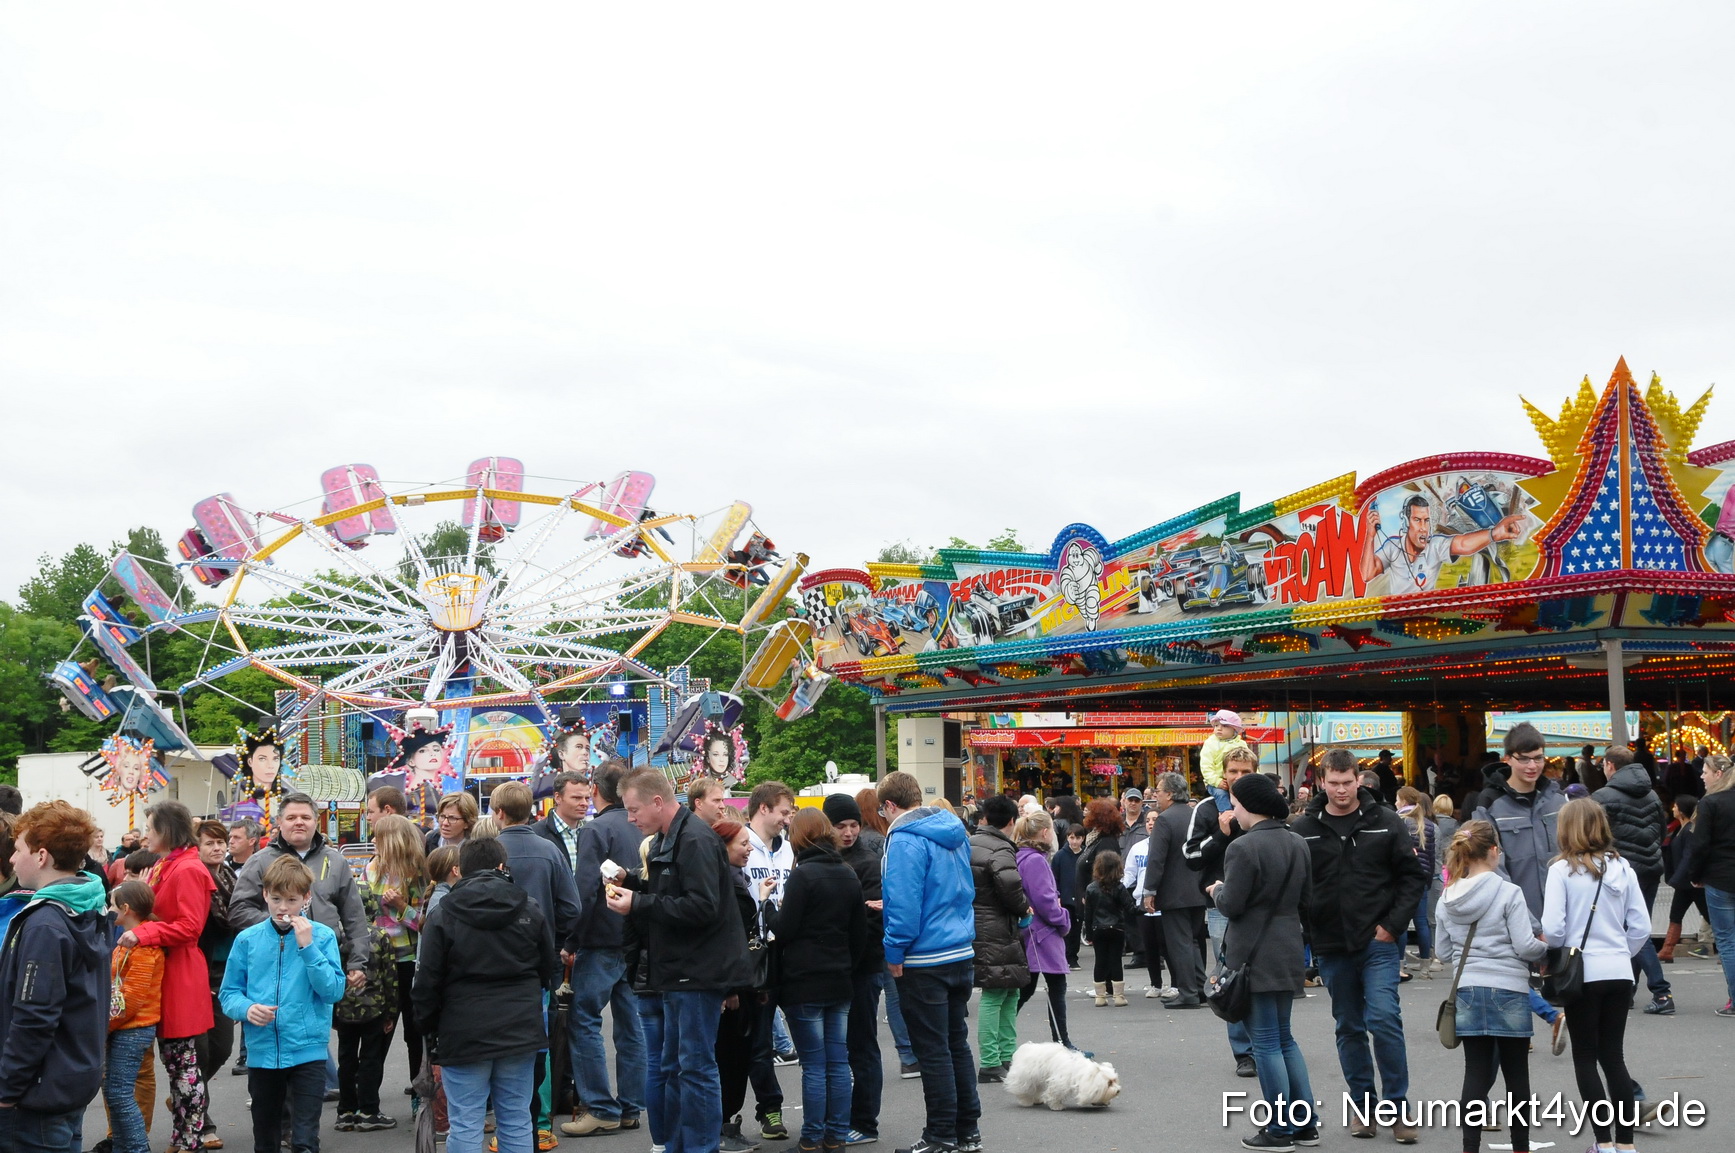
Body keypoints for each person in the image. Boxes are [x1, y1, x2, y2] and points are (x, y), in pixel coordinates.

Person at [607, 768, 753, 1153]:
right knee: (676, 1066)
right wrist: (634, 884)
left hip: (696, 971)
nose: (630, 818)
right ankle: (678, 1145)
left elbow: (702, 907)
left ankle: (700, 1147)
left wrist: (637, 900)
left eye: (634, 809)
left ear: (658, 802)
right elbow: (675, 894)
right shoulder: (671, 838)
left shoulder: (694, 840)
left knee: (694, 1068)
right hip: (679, 971)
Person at [1288, 749, 1427, 1142]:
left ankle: (1398, 1109)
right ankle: (1363, 1108)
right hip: (1331, 945)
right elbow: (1297, 887)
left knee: (1383, 1019)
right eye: (1333, 783)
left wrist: (1392, 926)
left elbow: (1411, 878)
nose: (1341, 790)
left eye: (1347, 782)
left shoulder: (1384, 821)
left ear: (1358, 780)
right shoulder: (1304, 827)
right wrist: (1309, 931)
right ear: (1321, 782)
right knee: (1348, 1027)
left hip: (1379, 941)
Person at [414, 837, 558, 1153]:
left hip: (462, 1029)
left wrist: (428, 1026)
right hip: (519, 1027)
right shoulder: (528, 907)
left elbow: (427, 981)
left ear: (461, 870)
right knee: (517, 1118)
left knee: (465, 1122)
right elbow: (550, 967)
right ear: (502, 866)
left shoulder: (443, 913)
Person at [1208, 772, 1316, 1152]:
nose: (1232, 809)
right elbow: (1306, 899)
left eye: (1235, 802)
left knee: (1266, 1043)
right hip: (1286, 947)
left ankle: (1280, 1128)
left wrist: (1218, 889)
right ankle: (1305, 1124)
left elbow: (1232, 905)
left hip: (1252, 952)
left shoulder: (1242, 848)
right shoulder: (1297, 842)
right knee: (1284, 1038)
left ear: (1249, 805)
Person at [878, 770, 980, 1153]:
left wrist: (894, 952)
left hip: (924, 956)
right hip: (958, 948)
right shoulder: (952, 831)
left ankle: (940, 1134)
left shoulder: (903, 840)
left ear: (890, 805)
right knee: (956, 1044)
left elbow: (904, 904)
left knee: (933, 1050)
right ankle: (967, 1130)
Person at [1542, 800, 1653, 1153]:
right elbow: (1642, 927)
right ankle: (1627, 1145)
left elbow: (1554, 930)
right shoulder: (1623, 868)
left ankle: (1603, 1142)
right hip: (1620, 971)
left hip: (1582, 974)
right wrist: (1622, 953)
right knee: (1614, 1057)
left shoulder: (1561, 871)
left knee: (1585, 1056)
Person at [0, 801, 110, 1153]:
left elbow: (35, 1016)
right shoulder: (89, 904)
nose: (13, 860)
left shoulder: (46, 924)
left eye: (18, 850)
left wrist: (6, 1089)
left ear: (42, 856)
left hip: (35, 1096)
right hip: (68, 1082)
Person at [1434, 821, 1548, 1153]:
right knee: (1516, 1076)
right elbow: (1526, 946)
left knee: (1476, 1071)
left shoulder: (1448, 897)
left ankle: (1471, 1147)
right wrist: (1546, 952)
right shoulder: (1508, 892)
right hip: (1510, 989)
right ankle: (1521, 1147)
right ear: (1494, 851)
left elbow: (1442, 952)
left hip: (1468, 988)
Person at [220, 855, 346, 1153]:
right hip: (263, 1052)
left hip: (309, 1051)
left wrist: (308, 947)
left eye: (291, 900)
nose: (283, 908)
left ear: (306, 898)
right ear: (264, 895)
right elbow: (229, 993)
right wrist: (247, 1009)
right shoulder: (248, 940)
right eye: (275, 898)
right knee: (266, 1139)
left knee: (304, 1139)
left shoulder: (323, 936)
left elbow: (333, 991)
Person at [762, 809, 867, 1153]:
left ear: (800, 836)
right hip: (839, 979)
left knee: (814, 1065)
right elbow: (858, 935)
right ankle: (835, 1134)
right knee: (838, 1062)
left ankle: (811, 1136)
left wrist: (767, 907)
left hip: (803, 981)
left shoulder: (803, 876)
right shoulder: (848, 874)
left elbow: (786, 928)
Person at [489, 781, 580, 1152]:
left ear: (498, 812)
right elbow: (572, 908)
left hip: (491, 961)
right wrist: (557, 943)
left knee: (497, 1042)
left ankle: (508, 1124)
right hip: (540, 962)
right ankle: (540, 1123)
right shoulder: (550, 850)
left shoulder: (489, 851)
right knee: (539, 1040)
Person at [560, 760, 646, 1139]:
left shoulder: (595, 829)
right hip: (635, 937)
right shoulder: (637, 825)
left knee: (584, 1022)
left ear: (596, 790)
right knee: (632, 1027)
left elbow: (585, 888)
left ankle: (600, 1107)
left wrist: (570, 940)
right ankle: (630, 1106)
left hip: (599, 939)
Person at [128, 800, 217, 1153]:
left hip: (179, 974)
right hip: (169, 971)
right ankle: (184, 1136)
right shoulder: (170, 864)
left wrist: (143, 934)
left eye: (151, 828)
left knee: (183, 1065)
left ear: (167, 830)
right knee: (178, 1064)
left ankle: (189, 1138)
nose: (146, 834)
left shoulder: (187, 869)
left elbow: (189, 928)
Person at [1473, 724, 1570, 1040]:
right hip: (1514, 917)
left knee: (1575, 999)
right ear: (1508, 759)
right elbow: (1491, 869)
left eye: (1538, 758)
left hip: (1563, 918)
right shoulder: (1489, 804)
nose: (1532, 766)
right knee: (1514, 992)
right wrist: (1528, 922)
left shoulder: (1559, 798)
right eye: (1524, 759)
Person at [229, 793, 372, 980]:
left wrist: (357, 961)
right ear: (279, 821)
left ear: (315, 821)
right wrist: (281, 923)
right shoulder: (260, 861)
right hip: (274, 962)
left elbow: (354, 915)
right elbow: (238, 910)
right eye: (291, 818)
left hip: (324, 958)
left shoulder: (336, 861)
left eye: (305, 817)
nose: (299, 822)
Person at [1183, 744, 1262, 1077]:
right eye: (1233, 772)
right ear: (1223, 775)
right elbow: (1190, 857)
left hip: (1260, 902)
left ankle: (1268, 1042)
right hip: (1221, 905)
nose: (1239, 778)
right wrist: (1221, 832)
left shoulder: (1264, 804)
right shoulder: (1205, 808)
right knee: (1230, 976)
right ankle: (1244, 1052)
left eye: (1246, 772)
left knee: (1262, 972)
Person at [823, 794, 886, 1145]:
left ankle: (865, 1121)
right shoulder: (823, 857)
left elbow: (872, 919)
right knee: (839, 1048)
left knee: (862, 1045)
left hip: (862, 967)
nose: (848, 832)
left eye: (853, 825)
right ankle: (844, 1117)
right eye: (840, 826)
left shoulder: (867, 862)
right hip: (838, 967)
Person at [1591, 746, 1673, 1015]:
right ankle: (1628, 989)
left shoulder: (1601, 797)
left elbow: (1594, 837)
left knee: (1634, 931)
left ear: (1610, 766)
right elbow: (1662, 830)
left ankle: (1661, 991)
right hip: (1651, 867)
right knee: (1640, 927)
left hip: (1621, 870)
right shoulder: (1651, 794)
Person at [743, 782, 796, 1140]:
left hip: (790, 952)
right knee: (759, 1040)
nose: (787, 819)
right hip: (755, 953)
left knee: (806, 1033)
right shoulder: (741, 847)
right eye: (783, 811)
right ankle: (771, 1110)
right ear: (764, 809)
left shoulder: (791, 851)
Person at [966, 795, 1029, 1081]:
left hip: (978, 923)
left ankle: (1004, 1055)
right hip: (996, 926)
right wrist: (1024, 907)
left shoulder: (971, 842)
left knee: (1008, 989)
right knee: (997, 992)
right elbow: (1010, 885)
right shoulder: (1001, 848)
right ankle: (993, 1059)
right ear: (1012, 821)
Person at [333, 874, 401, 1134]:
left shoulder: (337, 936)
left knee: (346, 1058)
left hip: (344, 1008)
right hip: (375, 1009)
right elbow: (390, 978)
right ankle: (369, 1110)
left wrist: (333, 1015)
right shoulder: (381, 936)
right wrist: (391, 1013)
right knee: (371, 1059)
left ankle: (346, 1111)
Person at [1010, 809, 1082, 1053]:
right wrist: (1064, 920)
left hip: (1033, 931)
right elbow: (1045, 900)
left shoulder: (1022, 856)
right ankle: (1062, 1043)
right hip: (1042, 934)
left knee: (1027, 989)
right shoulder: (1036, 860)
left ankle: (1060, 1042)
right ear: (1044, 832)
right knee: (1051, 988)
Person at [365, 815, 429, 1087]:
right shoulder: (372, 868)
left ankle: (419, 1093)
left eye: (377, 837)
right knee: (378, 1028)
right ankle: (367, 1099)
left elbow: (425, 924)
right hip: (379, 961)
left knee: (414, 1031)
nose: (372, 841)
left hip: (409, 959)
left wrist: (402, 906)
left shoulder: (417, 873)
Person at [107, 881, 166, 1153]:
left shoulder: (142, 947)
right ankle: (123, 1146)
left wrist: (105, 1025)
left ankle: (137, 1148)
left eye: (113, 904)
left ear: (126, 908)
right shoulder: (128, 941)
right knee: (115, 1092)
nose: (109, 910)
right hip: (126, 1027)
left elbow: (131, 999)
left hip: (132, 1028)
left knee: (119, 1093)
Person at [1142, 771, 1207, 1008]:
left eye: (1158, 791)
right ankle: (1199, 989)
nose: (1156, 796)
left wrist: (1150, 890)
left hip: (1174, 891)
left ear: (1169, 794)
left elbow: (1156, 858)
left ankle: (1188, 993)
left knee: (1180, 944)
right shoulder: (1195, 815)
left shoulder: (1166, 819)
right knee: (1193, 942)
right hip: (1198, 889)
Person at [194, 819, 236, 1150]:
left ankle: (187, 1093)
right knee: (201, 1049)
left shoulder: (231, 877)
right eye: (210, 843)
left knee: (222, 1046)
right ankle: (202, 1121)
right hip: (197, 974)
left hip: (226, 975)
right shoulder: (194, 878)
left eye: (221, 842)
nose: (218, 848)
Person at [1688, 753, 1735, 1014]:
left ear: (1718, 774)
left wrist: (1695, 874)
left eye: (1705, 771)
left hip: (1719, 877)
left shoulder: (1710, 803)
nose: (1701, 776)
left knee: (1727, 941)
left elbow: (1700, 845)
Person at [1394, 786, 1438, 980]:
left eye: (1397, 799)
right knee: (1422, 922)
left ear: (1403, 801)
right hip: (1421, 877)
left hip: (1402, 877)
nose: (1395, 802)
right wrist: (1428, 878)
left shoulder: (1397, 821)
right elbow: (1431, 855)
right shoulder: (1427, 824)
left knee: (1402, 922)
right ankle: (1426, 965)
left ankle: (1400, 963)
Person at [535, 772, 592, 877]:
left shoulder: (593, 832)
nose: (584, 803)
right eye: (576, 798)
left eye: (587, 798)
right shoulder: (537, 834)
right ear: (558, 798)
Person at [1200, 710, 1249, 810]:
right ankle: (1227, 815)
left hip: (1238, 781)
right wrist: (1217, 781)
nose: (1219, 728)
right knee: (1221, 794)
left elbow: (1251, 764)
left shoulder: (1241, 744)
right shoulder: (1210, 743)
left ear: (1234, 730)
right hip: (1216, 782)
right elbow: (1206, 766)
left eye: (1225, 726)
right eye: (1216, 725)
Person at [1053, 827, 1084, 971]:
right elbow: (1055, 877)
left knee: (1077, 929)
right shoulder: (1060, 856)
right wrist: (1057, 895)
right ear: (1067, 838)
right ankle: (1065, 956)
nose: (1075, 841)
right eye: (1072, 838)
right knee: (1066, 929)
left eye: (1078, 838)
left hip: (1080, 898)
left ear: (1082, 838)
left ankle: (1073, 956)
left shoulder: (1085, 855)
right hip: (1065, 897)